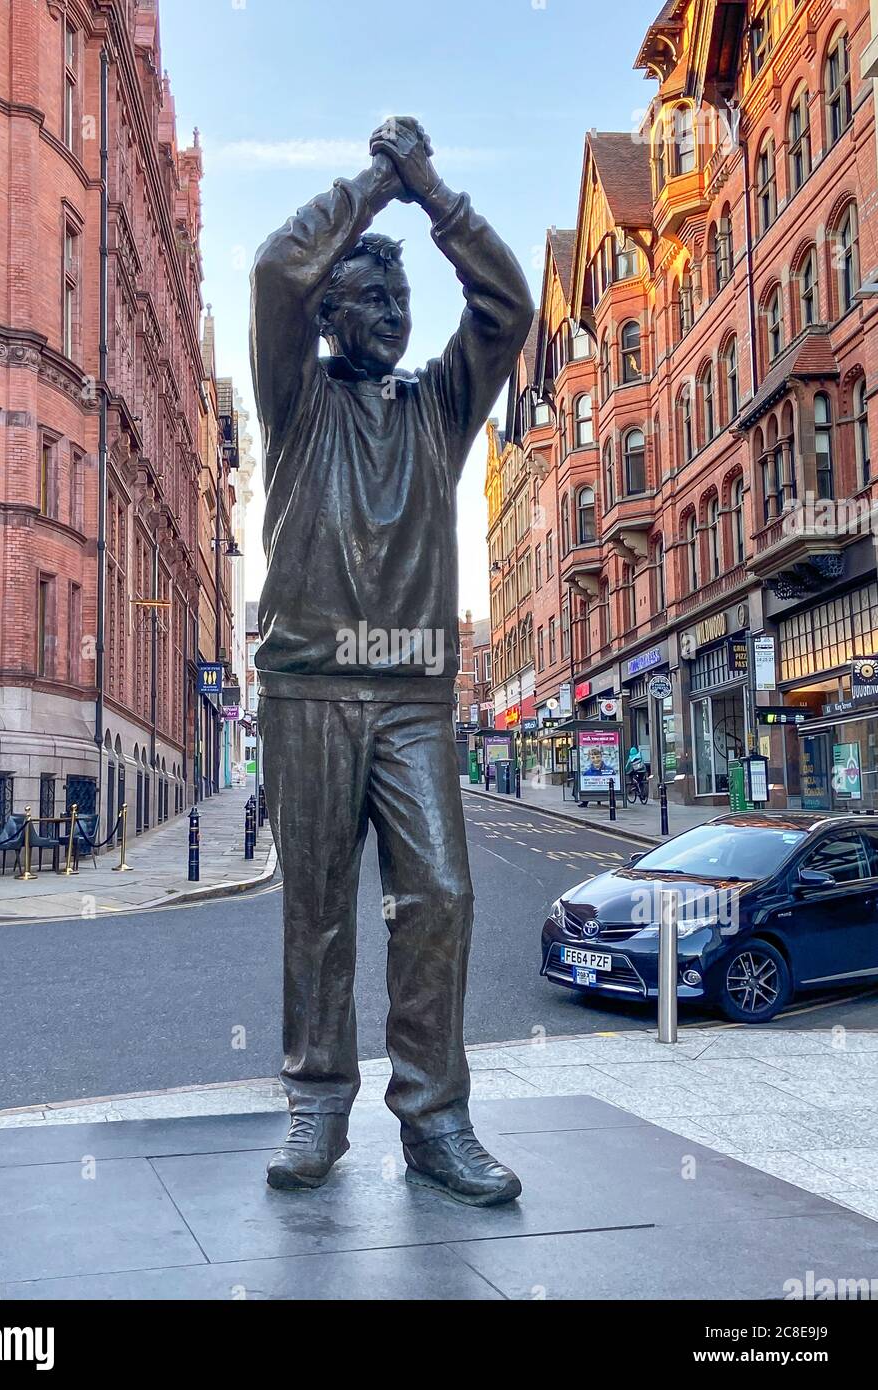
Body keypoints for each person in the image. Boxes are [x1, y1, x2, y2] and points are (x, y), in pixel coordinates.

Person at [250, 117, 533, 1205]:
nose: (397, 316)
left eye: (404, 304)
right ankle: (319, 1100)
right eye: (374, 299)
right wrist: (374, 186)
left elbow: (509, 311)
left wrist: (437, 198)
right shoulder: (294, 399)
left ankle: (434, 1116)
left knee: (443, 895)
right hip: (309, 686)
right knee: (317, 905)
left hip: (414, 694)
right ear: (329, 315)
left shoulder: (438, 409)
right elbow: (278, 264)